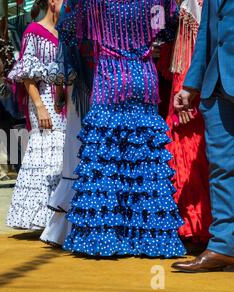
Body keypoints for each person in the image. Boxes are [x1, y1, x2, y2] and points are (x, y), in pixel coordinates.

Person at [56, 0, 186, 258]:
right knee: (143, 160)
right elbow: (166, 30)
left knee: (107, 156)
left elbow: (68, 28)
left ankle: (104, 238)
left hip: (110, 77)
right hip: (143, 76)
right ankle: (149, 238)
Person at [173, 0, 234, 272]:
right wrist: (191, 86)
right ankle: (223, 248)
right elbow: (207, 34)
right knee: (221, 169)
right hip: (216, 85)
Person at [6, 0, 66, 230]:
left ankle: (58, 218)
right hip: (43, 98)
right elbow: (26, 73)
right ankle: (40, 217)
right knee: (45, 157)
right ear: (52, 2)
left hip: (67, 101)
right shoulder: (34, 32)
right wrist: (39, 106)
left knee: (62, 157)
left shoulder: (67, 32)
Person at [165, 0, 212, 250]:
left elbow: (185, 55)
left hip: (190, 84)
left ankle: (194, 224)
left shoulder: (190, 6)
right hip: (203, 85)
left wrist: (184, 91)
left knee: (190, 149)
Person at [41, 35, 95, 246]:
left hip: (106, 80)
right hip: (82, 86)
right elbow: (66, 46)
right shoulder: (75, 6)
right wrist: (61, 89)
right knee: (77, 147)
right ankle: (72, 228)